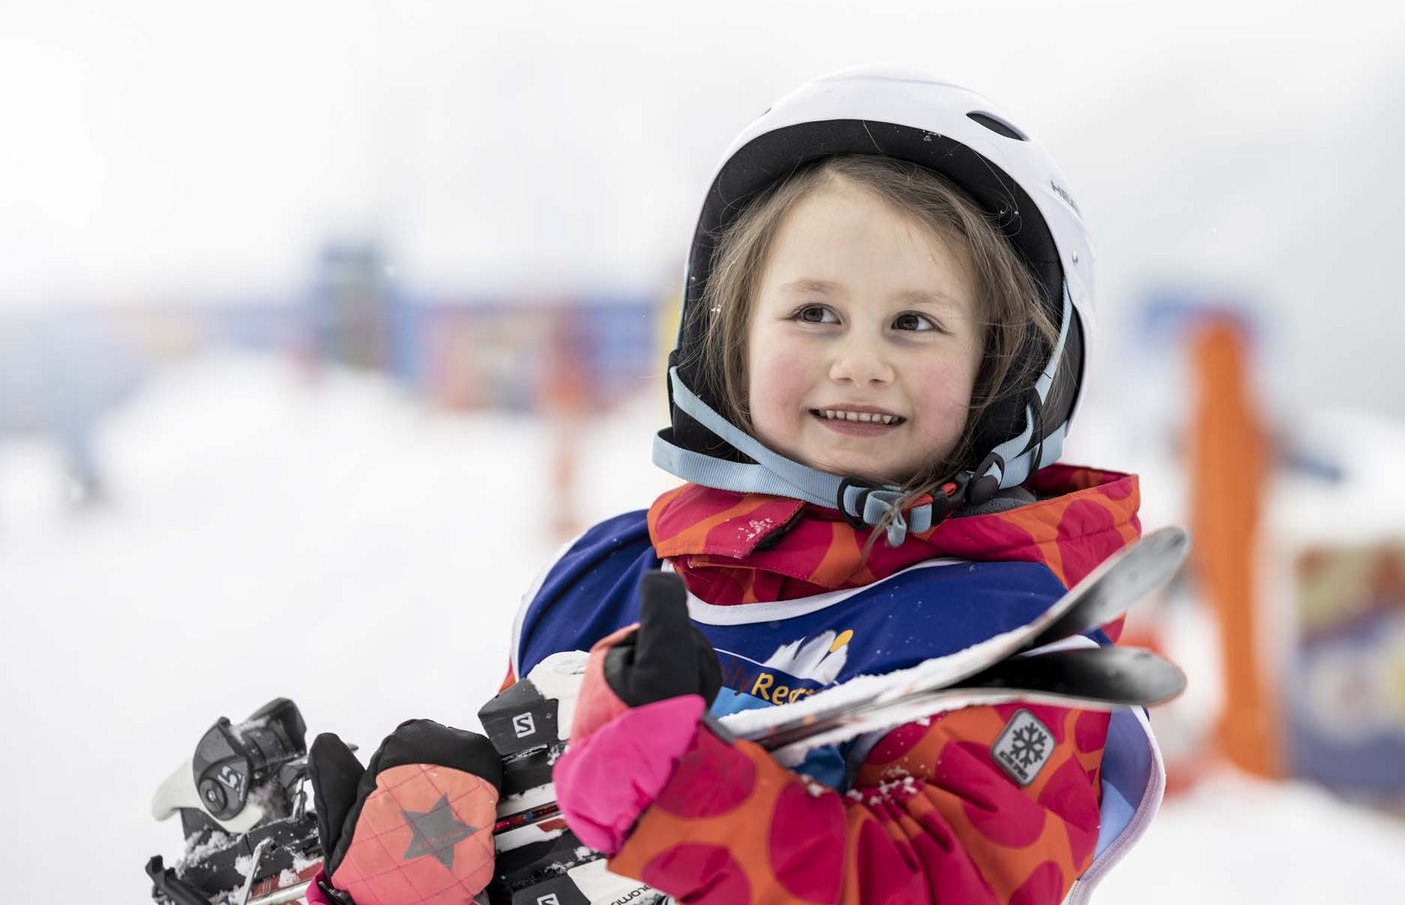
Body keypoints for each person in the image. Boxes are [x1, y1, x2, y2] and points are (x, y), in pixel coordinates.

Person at [307, 67, 1163, 905]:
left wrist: (683, 799)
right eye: (813, 313)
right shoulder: (607, 584)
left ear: (1007, 371)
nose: (859, 362)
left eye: (915, 323)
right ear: (730, 343)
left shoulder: (1007, 634)